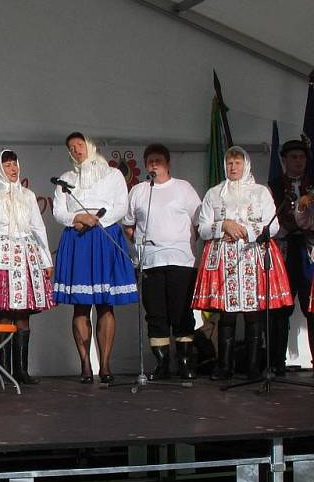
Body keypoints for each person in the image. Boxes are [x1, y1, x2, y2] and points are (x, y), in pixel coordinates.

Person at [191, 146, 292, 380]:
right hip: (224, 257)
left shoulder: (260, 192)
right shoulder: (214, 193)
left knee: (252, 313)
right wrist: (223, 226)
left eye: (237, 163)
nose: (233, 167)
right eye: (229, 163)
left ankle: (254, 368)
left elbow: (273, 225)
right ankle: (224, 366)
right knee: (227, 313)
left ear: (245, 165)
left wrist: (246, 231)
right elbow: (203, 227)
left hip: (252, 256)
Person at [52, 133, 137, 384]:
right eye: (72, 147)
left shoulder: (112, 175)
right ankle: (85, 365)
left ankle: (106, 364)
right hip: (78, 239)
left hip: (103, 236)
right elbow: (59, 211)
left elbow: (121, 205)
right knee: (81, 304)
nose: (77, 150)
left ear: (89, 146)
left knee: (105, 303)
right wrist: (77, 218)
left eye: (80, 145)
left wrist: (97, 220)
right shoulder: (65, 180)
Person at [0, 149, 54, 385]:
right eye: (7, 165)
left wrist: (46, 259)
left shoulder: (27, 195)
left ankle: (21, 370)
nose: (13, 169)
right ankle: (3, 369)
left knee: (23, 313)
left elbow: (38, 228)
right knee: (3, 312)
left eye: (14, 164)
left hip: (25, 256)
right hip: (0, 256)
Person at [122, 144, 201, 380]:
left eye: (158, 160)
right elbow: (129, 225)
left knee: (181, 312)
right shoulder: (139, 191)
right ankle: (162, 363)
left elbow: (199, 221)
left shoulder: (183, 188)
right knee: (156, 314)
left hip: (180, 260)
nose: (154, 164)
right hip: (150, 261)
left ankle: (186, 362)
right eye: (150, 161)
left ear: (167, 163)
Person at [268, 139, 314, 373]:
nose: (298, 161)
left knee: (312, 306)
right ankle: (277, 362)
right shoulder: (274, 186)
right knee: (281, 306)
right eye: (293, 157)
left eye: (302, 157)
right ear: (284, 160)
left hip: (308, 250)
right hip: (284, 249)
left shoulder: (312, 184)